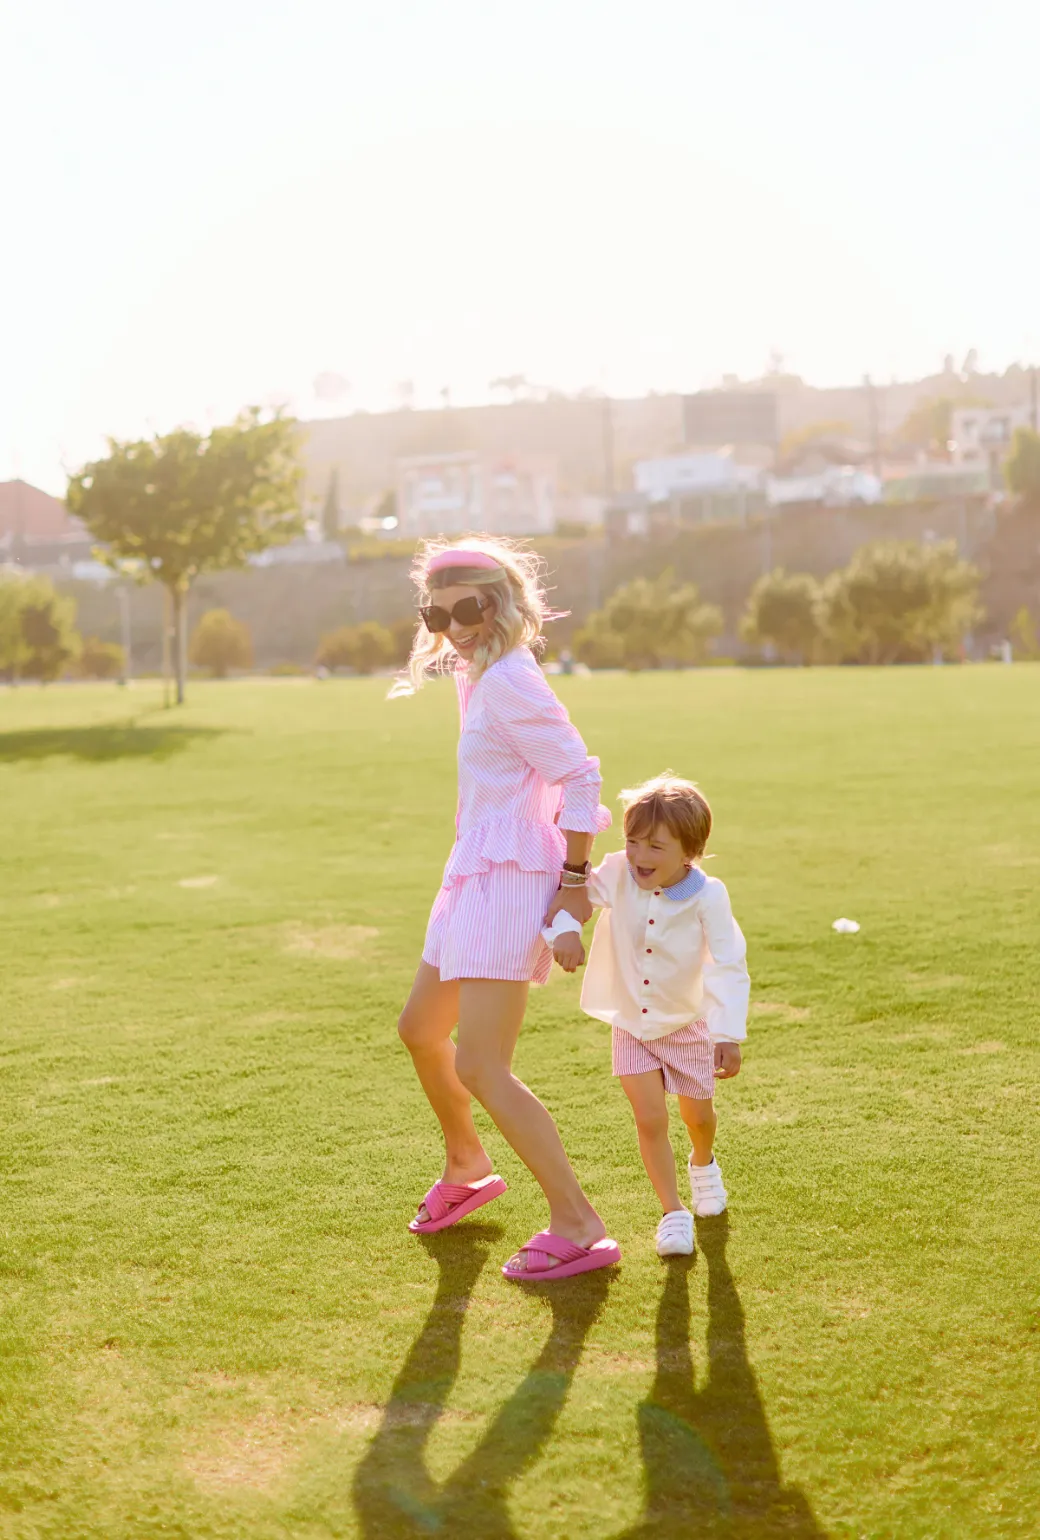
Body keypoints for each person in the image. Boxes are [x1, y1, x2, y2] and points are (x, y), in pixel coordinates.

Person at [393, 536, 621, 1282]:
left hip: (511, 878)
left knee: (482, 1064)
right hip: (473, 870)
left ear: (501, 602)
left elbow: (581, 777)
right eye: (437, 611)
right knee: (421, 1028)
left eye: (469, 608)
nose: (453, 624)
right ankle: (467, 1167)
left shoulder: (512, 679)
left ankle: (579, 1225)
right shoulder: (478, 673)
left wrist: (574, 882)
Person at [543, 774, 749, 1258]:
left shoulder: (708, 895)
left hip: (687, 1024)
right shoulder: (617, 873)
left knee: (697, 1117)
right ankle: (673, 1213)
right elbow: (572, 899)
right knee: (649, 1119)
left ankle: (704, 1163)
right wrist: (566, 931)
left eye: (656, 846)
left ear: (689, 852)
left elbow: (727, 963)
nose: (640, 855)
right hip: (631, 1024)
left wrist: (727, 1033)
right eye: (634, 841)